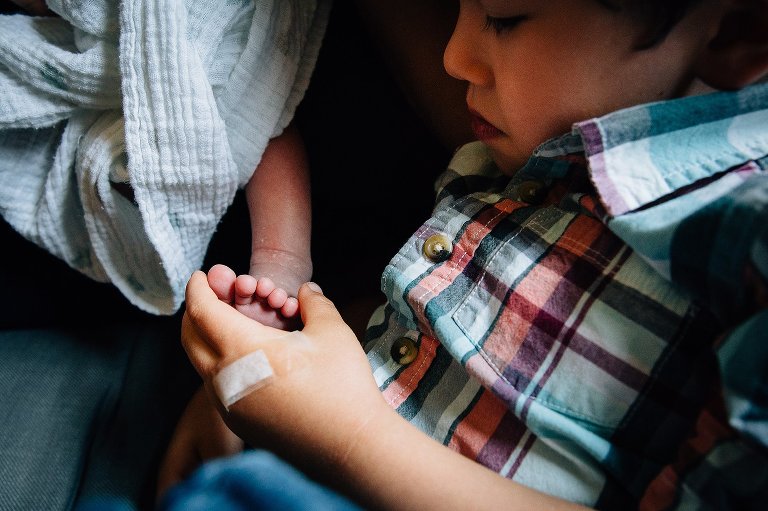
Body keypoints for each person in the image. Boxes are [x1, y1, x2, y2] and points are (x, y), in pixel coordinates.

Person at [173, 0, 768, 509]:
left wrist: (348, 432)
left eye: (505, 18)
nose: (453, 56)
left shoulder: (744, 226)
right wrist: (279, 370)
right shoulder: (525, 156)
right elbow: (450, 336)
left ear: (737, 32)